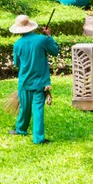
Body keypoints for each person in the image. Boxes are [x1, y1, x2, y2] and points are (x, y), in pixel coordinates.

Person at [9, 15, 59, 144]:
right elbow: (55, 51)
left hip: (24, 81)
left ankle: (20, 129)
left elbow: (17, 63)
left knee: (24, 107)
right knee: (38, 109)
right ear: (31, 26)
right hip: (41, 82)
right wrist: (49, 36)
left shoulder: (17, 44)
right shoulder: (42, 40)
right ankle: (38, 138)